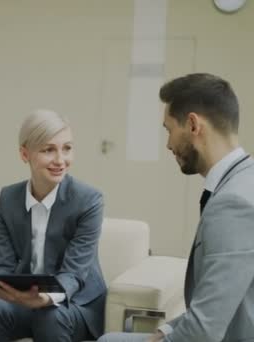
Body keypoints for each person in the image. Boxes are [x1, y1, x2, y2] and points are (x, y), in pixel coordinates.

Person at [98, 73, 254, 342]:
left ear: (193, 125)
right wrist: (164, 332)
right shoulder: (242, 181)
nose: (169, 144)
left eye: (169, 130)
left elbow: (204, 331)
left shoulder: (233, 204)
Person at [0, 110, 106, 342]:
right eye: (48, 150)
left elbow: (74, 273)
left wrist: (44, 299)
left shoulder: (88, 200)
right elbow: (3, 264)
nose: (60, 160)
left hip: (75, 304)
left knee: (49, 316)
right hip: (24, 301)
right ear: (25, 154)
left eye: (67, 148)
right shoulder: (8, 198)